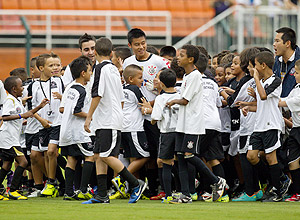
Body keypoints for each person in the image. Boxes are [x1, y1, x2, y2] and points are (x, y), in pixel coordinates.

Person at [83, 37, 147, 204]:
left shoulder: (99, 69)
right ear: (111, 53)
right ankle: (102, 195)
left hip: (107, 119)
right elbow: (120, 98)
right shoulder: (114, 70)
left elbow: (97, 94)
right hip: (110, 118)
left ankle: (135, 184)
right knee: (98, 156)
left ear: (95, 52)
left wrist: (89, 117)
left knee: (106, 155)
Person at [166, 45, 226, 203]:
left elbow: (185, 100)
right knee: (181, 157)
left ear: (191, 59)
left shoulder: (194, 76)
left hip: (193, 124)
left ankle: (216, 181)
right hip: (183, 124)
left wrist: (172, 101)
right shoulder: (186, 77)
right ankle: (185, 194)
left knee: (189, 155)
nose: (178, 57)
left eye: (182, 55)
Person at [123, 28, 169, 197]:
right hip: (136, 118)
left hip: (153, 116)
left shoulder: (159, 61)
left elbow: (170, 85)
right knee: (142, 154)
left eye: (143, 43)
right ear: (130, 45)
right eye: (137, 45)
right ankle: (143, 187)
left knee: (157, 153)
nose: (141, 47)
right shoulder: (127, 63)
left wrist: (153, 103)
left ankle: (160, 187)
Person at [243, 51, 289, 202]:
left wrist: (256, 79)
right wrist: (248, 107)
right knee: (251, 156)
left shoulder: (275, 81)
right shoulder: (261, 82)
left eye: (255, 65)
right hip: (259, 125)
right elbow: (261, 104)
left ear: (263, 65)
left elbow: (264, 96)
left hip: (271, 124)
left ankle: (276, 190)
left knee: (270, 157)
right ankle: (277, 179)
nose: (254, 69)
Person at [0, 76, 48, 200]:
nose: (23, 88)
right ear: (14, 89)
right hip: (8, 138)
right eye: (21, 86)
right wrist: (21, 116)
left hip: (12, 138)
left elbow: (27, 114)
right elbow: (4, 117)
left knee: (6, 164)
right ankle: (14, 190)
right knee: (23, 162)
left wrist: (40, 106)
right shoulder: (9, 100)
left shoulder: (17, 100)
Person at [110, 64, 150, 200]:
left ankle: (135, 189)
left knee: (134, 159)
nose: (142, 81)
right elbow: (145, 105)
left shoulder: (121, 89)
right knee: (145, 157)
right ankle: (121, 178)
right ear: (131, 79)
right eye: (140, 78)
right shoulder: (135, 89)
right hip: (134, 128)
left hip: (122, 128)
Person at [29, 53, 65, 197]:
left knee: (51, 152)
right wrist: (41, 120)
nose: (55, 68)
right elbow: (31, 109)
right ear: (41, 68)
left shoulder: (61, 81)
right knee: (40, 155)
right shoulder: (33, 86)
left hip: (58, 123)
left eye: (57, 65)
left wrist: (63, 98)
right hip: (43, 125)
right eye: (51, 65)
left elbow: (69, 98)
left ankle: (51, 182)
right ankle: (56, 182)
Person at [59, 56, 94, 201]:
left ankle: (69, 192)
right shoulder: (82, 90)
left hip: (66, 130)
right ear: (83, 73)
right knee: (90, 156)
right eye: (90, 70)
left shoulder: (69, 88)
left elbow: (62, 108)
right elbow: (76, 110)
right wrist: (90, 116)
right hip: (78, 131)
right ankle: (83, 189)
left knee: (72, 159)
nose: (91, 73)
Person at [150, 68, 180, 204]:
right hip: (181, 132)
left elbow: (155, 117)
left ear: (161, 84)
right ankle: (184, 191)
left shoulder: (160, 98)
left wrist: (150, 117)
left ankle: (168, 194)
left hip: (167, 133)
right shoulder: (181, 95)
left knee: (166, 164)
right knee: (182, 163)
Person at [279, 59, 300, 201]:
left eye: (297, 72)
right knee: (292, 161)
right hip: (296, 130)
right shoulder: (296, 88)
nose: (295, 75)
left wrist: (264, 98)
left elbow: (283, 102)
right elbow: (284, 100)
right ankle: (297, 193)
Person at [273, 27, 300, 97]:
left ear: (288, 43)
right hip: (278, 106)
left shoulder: (298, 60)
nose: (274, 44)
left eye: (277, 41)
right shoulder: (276, 61)